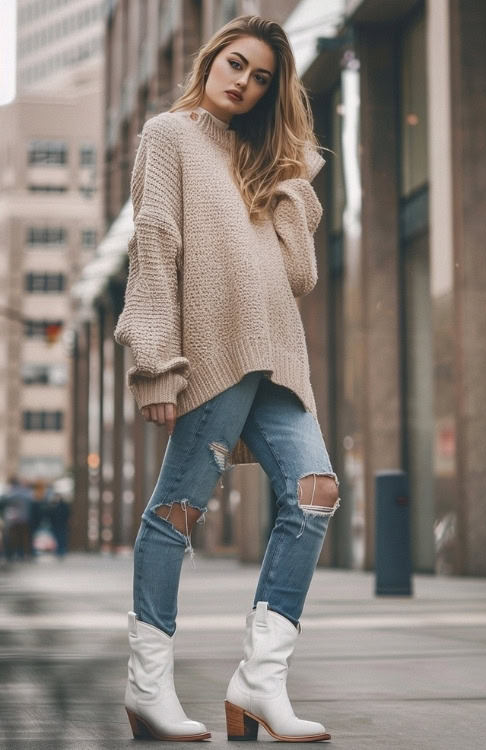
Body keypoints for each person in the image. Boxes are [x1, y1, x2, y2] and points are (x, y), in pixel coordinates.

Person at [114, 14, 341, 743]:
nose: (244, 82)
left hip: (279, 349)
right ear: (213, 58)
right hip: (214, 351)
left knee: (316, 493)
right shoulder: (168, 134)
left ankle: (259, 682)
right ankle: (148, 686)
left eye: (262, 77)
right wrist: (154, 364)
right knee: (176, 513)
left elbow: (299, 274)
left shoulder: (259, 157)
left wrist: (292, 185)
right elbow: (155, 244)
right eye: (237, 64)